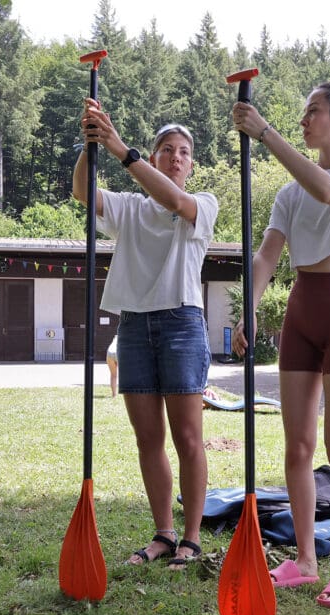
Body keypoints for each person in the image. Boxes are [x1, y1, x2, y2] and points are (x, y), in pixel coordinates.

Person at [231, 74, 330, 608]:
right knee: (297, 447)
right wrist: (247, 307)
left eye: (313, 110)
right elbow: (267, 257)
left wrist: (265, 134)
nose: (304, 119)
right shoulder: (287, 194)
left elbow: (329, 190)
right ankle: (303, 559)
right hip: (302, 311)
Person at [72, 98, 219, 570]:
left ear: (191, 165)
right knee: (148, 439)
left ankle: (192, 538)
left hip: (181, 324)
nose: (176, 157)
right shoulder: (130, 207)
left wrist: (120, 149)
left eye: (184, 152)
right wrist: (91, 143)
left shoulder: (202, 205)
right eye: (167, 150)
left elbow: (174, 200)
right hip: (134, 324)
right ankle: (163, 533)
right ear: (154, 158)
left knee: (188, 439)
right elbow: (83, 193)